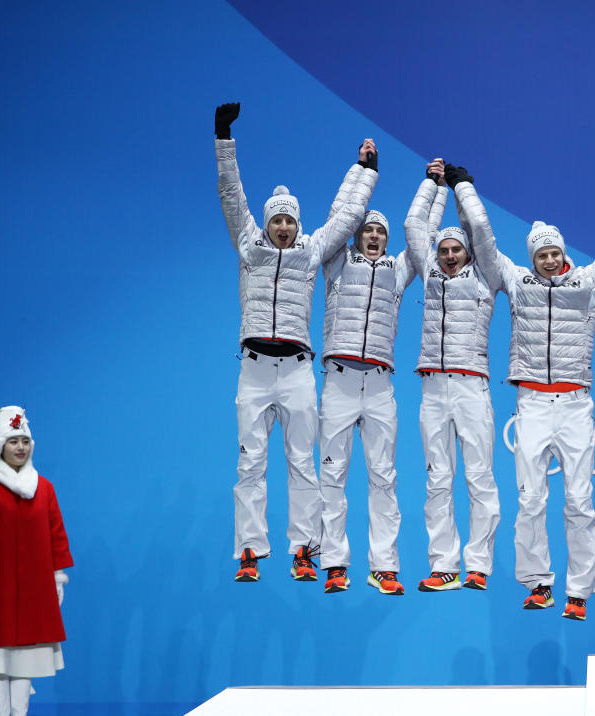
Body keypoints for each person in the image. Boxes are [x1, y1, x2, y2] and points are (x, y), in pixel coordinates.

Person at [459, 158, 595, 618]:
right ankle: (539, 583)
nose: (548, 260)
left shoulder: (588, 282)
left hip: (576, 404)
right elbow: (484, 244)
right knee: (530, 499)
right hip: (533, 403)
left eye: (553, 253)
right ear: (533, 258)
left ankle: (579, 592)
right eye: (540, 254)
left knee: (580, 502)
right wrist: (464, 189)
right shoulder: (517, 284)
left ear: (562, 253)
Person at [214, 101, 378, 582]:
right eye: (276, 220)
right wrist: (224, 136)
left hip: (298, 372)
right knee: (250, 464)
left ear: (297, 224)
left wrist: (364, 171)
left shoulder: (310, 252)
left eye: (289, 220)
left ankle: (304, 550)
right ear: (266, 224)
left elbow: (347, 218)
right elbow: (230, 193)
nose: (283, 226)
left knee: (303, 464)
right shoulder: (249, 245)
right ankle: (249, 550)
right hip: (255, 369)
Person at [403, 158, 502, 592]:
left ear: (466, 254)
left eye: (454, 250)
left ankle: (478, 565)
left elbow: (481, 232)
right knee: (437, 479)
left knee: (479, 478)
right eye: (442, 250)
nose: (447, 256)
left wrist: (463, 188)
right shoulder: (428, 277)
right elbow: (412, 225)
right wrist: (432, 184)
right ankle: (444, 565)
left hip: (471, 386)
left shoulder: (485, 277)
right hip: (432, 389)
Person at [317, 189, 417, 596]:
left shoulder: (398, 269)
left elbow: (421, 237)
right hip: (339, 381)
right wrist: (364, 173)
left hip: (379, 384)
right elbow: (338, 216)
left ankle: (384, 567)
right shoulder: (337, 263)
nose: (374, 236)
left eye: (380, 232)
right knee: (332, 475)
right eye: (367, 230)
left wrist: (434, 186)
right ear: (357, 235)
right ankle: (335, 563)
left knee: (383, 478)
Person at [0, 406, 73, 716]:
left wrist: (57, 576)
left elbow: (56, 534)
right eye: (13, 441)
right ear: (0, 446)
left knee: (26, 656)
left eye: (25, 440)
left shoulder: (44, 488)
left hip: (35, 588)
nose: (20, 447)